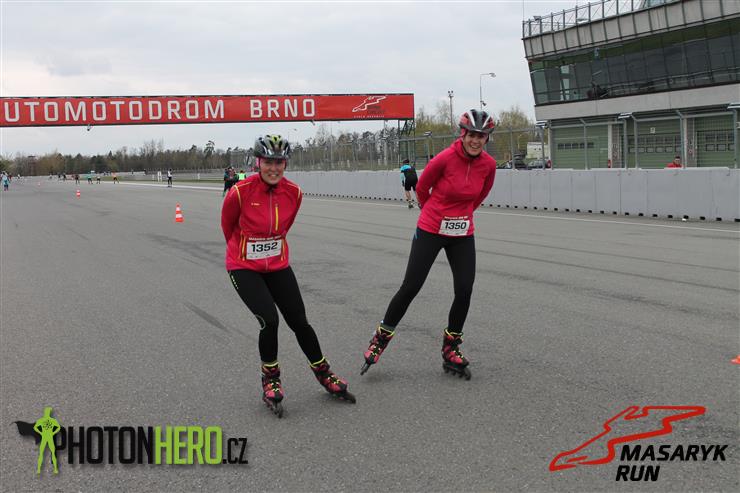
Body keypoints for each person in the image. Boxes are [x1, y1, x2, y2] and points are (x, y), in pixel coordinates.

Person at [221, 134, 355, 417]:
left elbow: (284, 228)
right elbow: (228, 227)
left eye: (279, 162)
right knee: (269, 320)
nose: (274, 168)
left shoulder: (294, 193)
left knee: (299, 322)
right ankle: (270, 379)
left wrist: (269, 251)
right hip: (243, 267)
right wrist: (246, 253)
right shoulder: (240, 192)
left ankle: (323, 372)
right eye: (268, 162)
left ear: (285, 164)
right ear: (258, 162)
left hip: (278, 265)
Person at [360, 109, 498, 380]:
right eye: (472, 134)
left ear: (486, 139)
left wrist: (462, 215)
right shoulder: (444, 158)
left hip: (462, 231)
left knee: (464, 289)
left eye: (481, 136)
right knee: (411, 286)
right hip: (432, 228)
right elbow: (422, 188)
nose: (475, 140)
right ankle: (380, 338)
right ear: (463, 134)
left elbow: (481, 194)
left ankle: (451, 347)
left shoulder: (489, 165)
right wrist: (434, 214)